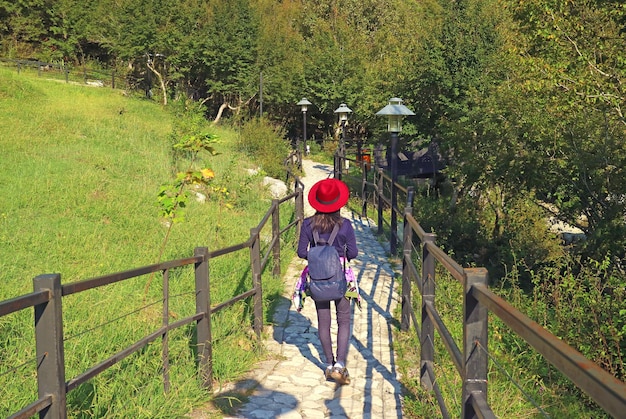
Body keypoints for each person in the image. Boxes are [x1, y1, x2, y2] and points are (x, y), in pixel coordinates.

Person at [296, 178, 358, 385]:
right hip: (341, 278)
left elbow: (300, 252)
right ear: (338, 202)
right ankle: (340, 364)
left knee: (324, 321)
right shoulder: (345, 225)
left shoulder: (307, 224)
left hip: (317, 278)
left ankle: (329, 364)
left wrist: (317, 257)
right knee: (343, 320)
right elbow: (354, 253)